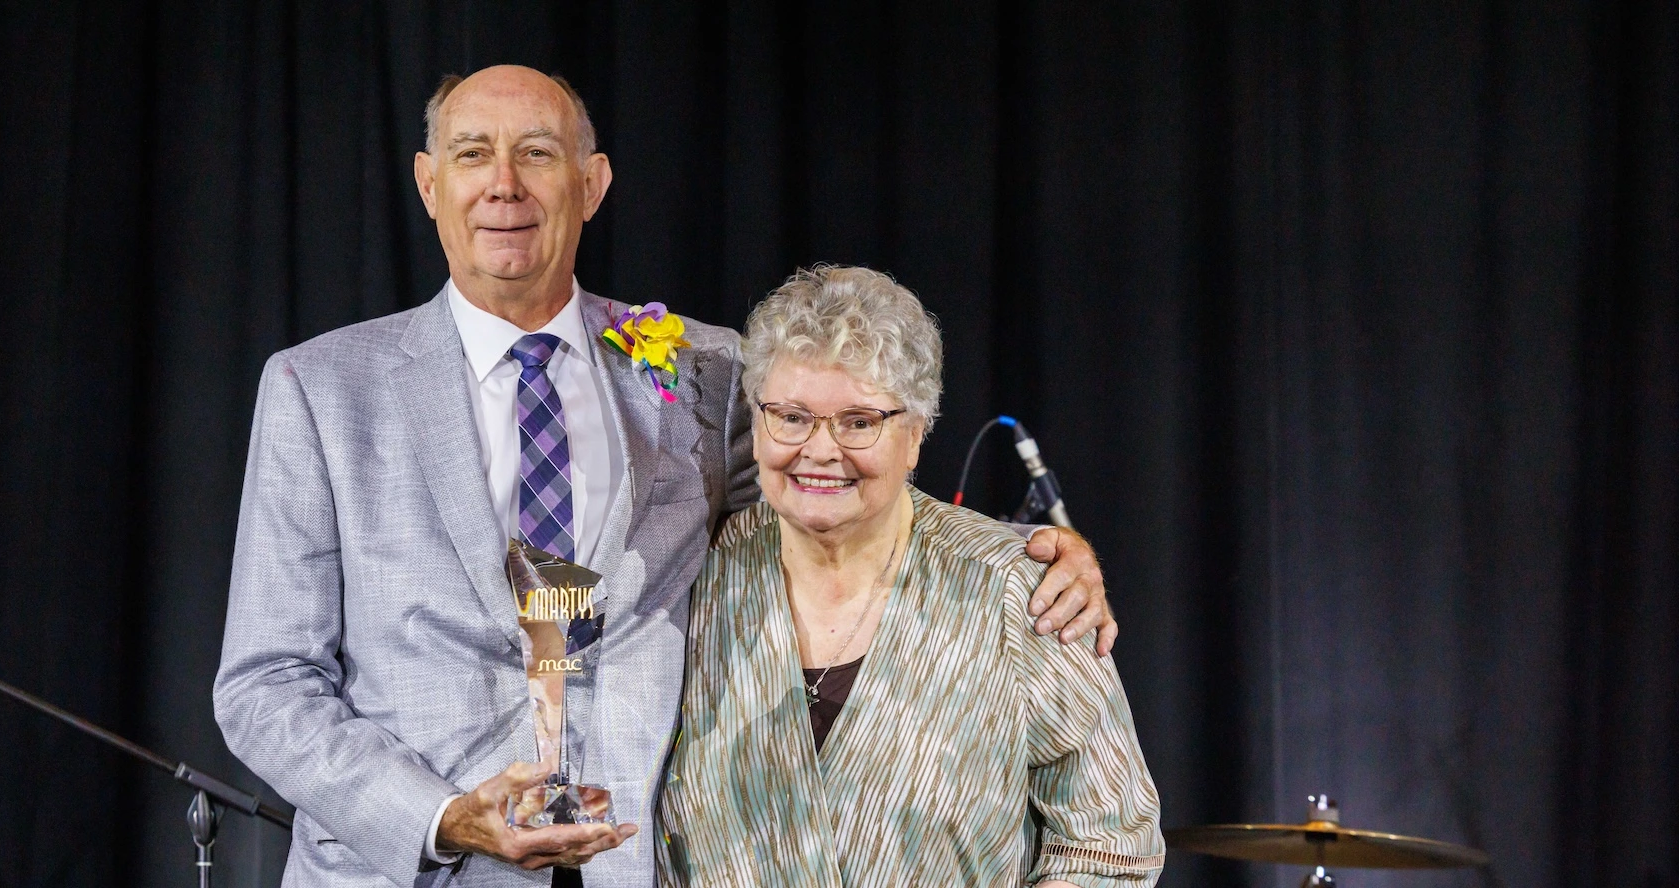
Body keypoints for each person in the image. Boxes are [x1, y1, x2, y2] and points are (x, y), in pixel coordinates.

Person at [214, 66, 1116, 888]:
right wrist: (443, 819)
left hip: (639, 868)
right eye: (472, 155)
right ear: (427, 183)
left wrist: (1030, 556)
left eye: (537, 153)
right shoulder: (321, 390)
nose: (504, 184)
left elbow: (833, 488)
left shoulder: (705, 371)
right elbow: (265, 683)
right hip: (411, 873)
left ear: (592, 183)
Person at [659, 266, 1163, 887]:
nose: (820, 450)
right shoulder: (697, 574)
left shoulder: (1014, 590)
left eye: (859, 422)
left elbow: (1111, 844)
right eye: (791, 416)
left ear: (916, 434)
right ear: (756, 424)